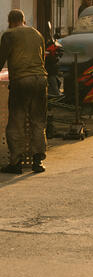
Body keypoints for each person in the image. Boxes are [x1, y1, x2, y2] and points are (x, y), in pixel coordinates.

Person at [0, 9, 48, 174]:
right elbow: (43, 58)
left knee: (16, 121)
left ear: (10, 21)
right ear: (23, 20)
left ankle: (16, 162)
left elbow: (1, 58)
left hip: (21, 81)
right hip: (40, 80)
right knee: (38, 120)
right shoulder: (36, 33)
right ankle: (38, 162)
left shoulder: (9, 34)